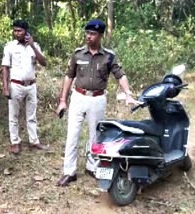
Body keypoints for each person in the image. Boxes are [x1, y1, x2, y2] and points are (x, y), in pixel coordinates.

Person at [56, 19, 140, 186]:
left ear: (100, 35)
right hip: (78, 97)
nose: (88, 37)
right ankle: (69, 171)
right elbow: (69, 76)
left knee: (96, 136)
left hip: (98, 99)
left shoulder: (109, 56)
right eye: (87, 33)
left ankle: (92, 166)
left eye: (93, 34)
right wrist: (62, 100)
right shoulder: (78, 54)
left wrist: (128, 93)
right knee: (72, 135)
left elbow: (120, 75)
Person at [1, 20, 47, 155]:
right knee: (13, 115)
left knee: (31, 115)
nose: (16, 33)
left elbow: (43, 62)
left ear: (26, 31)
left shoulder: (35, 46)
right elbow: (5, 68)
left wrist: (33, 46)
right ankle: (15, 142)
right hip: (16, 85)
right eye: (15, 30)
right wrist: (5, 87)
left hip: (31, 85)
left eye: (19, 31)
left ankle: (34, 141)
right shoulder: (10, 47)